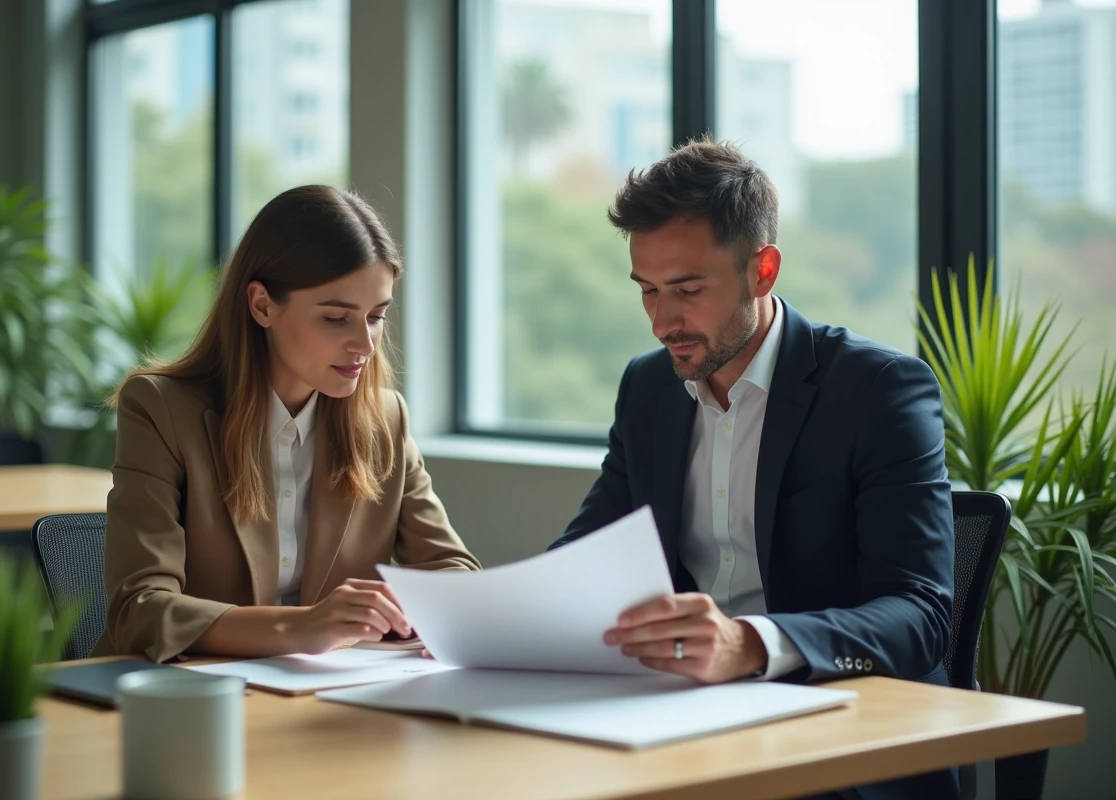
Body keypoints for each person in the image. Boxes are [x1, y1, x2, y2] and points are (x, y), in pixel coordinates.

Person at [552, 140, 956, 800]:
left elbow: (921, 615)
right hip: (682, 726)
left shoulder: (878, 389)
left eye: (687, 290)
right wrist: (488, 623)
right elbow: (592, 550)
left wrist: (752, 644)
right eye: (648, 291)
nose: (662, 322)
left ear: (762, 270)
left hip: (844, 737)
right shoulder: (649, 388)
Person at [94, 186, 480, 663]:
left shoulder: (385, 419)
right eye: (336, 318)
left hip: (328, 702)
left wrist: (418, 608)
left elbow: (453, 570)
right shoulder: (161, 409)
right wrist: (304, 626)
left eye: (377, 317)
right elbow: (140, 610)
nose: (365, 344)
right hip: (187, 701)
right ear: (262, 305)